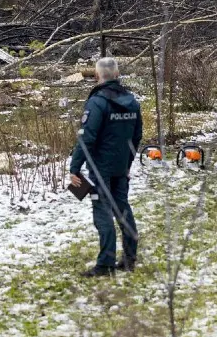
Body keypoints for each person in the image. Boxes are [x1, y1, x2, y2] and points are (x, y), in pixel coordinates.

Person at [68, 57, 142, 277]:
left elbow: (86, 138)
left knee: (102, 213)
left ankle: (105, 264)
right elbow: (136, 136)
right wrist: (127, 163)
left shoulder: (97, 102)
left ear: (98, 76)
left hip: (100, 168)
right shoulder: (132, 101)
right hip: (120, 166)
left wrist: (74, 167)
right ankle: (129, 259)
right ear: (117, 75)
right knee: (123, 210)